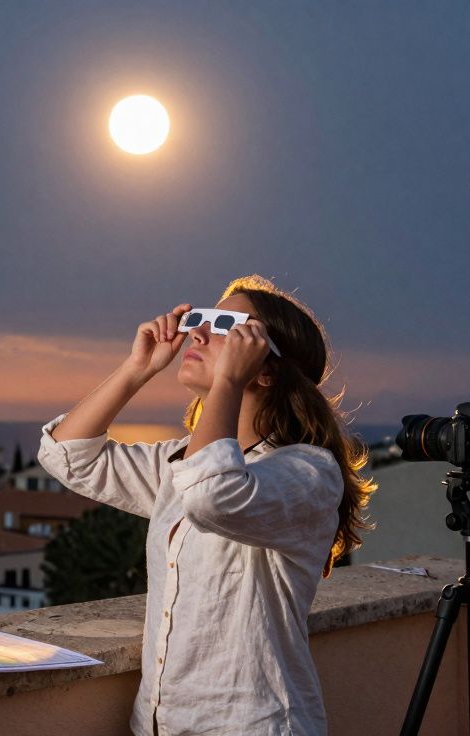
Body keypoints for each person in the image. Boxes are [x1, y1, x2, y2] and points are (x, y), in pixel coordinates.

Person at [36, 274, 377, 735]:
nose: (196, 333)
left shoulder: (307, 473)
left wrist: (229, 381)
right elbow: (67, 457)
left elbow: (212, 494)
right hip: (159, 724)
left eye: (225, 327)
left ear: (266, 368)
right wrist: (137, 368)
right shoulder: (181, 462)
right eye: (202, 318)